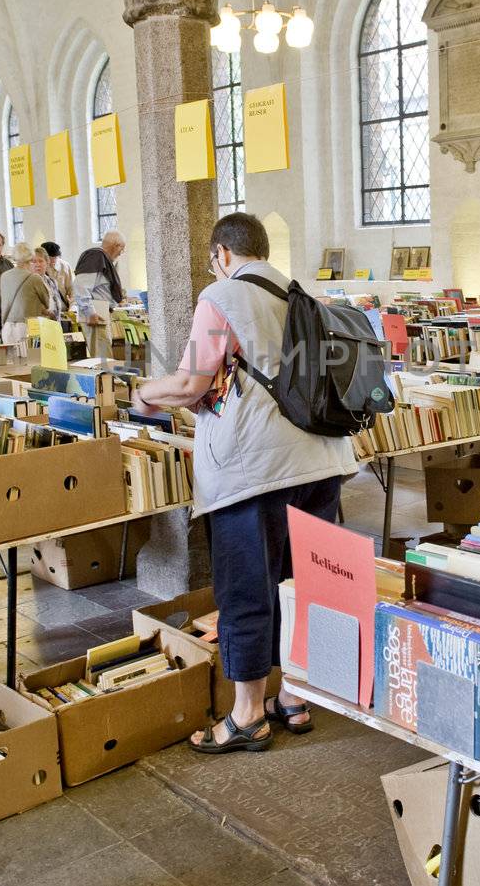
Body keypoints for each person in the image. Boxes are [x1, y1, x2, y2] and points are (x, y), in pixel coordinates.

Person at [132, 212, 359, 753]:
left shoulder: (221, 296)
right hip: (323, 460)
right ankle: (295, 696)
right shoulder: (302, 292)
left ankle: (247, 714)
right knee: (300, 584)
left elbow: (190, 383)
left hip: (254, 469)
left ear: (221, 254)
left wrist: (145, 393)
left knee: (246, 586)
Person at [74, 231, 125, 360]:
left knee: (103, 356)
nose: (121, 252)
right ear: (115, 245)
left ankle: (106, 379)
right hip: (95, 315)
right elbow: (80, 287)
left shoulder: (102, 258)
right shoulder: (95, 257)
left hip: (100, 313)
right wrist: (89, 311)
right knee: (101, 359)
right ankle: (103, 380)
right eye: (122, 248)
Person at [0, 243, 51, 346]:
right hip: (27, 327)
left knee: (12, 361)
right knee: (31, 361)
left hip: (7, 326)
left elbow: (4, 303)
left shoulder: (4, 276)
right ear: (30, 257)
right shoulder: (34, 278)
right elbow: (47, 303)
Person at [39, 240, 73, 317]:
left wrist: (72, 307)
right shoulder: (39, 268)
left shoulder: (65, 266)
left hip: (63, 312)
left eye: (56, 257)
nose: (53, 260)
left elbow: (72, 290)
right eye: (50, 258)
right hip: (45, 314)